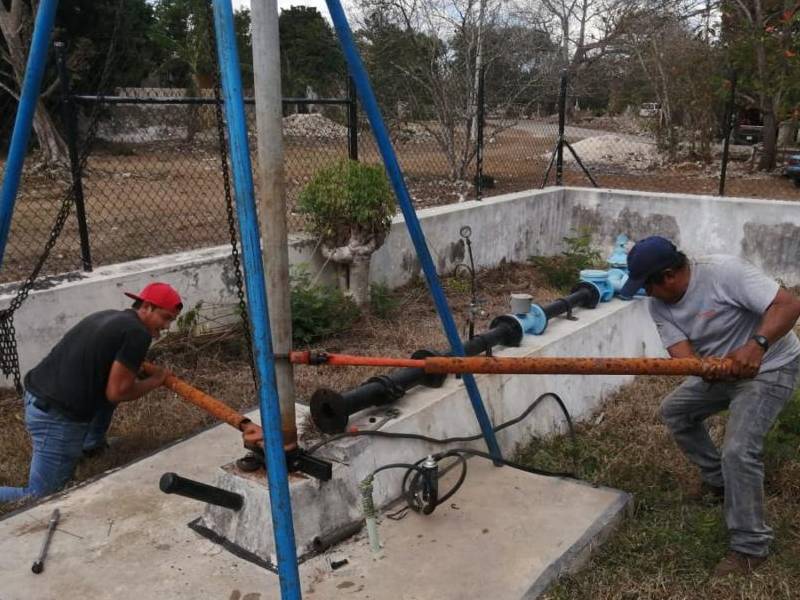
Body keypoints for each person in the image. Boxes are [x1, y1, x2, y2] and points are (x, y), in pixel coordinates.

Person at [620, 236, 800, 577]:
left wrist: (756, 346)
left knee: (738, 450)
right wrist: (704, 367)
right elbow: (684, 358)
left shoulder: (724, 272)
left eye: (647, 285)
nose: (645, 293)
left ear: (669, 275)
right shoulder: (659, 306)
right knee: (676, 411)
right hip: (723, 373)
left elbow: (789, 304)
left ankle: (750, 547)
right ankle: (719, 482)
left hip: (771, 367)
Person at [0, 282, 183, 504]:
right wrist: (157, 380)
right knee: (42, 495)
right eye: (165, 318)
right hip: (56, 416)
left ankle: (92, 446)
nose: (166, 326)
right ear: (147, 306)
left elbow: (109, 376)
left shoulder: (111, 316)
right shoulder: (137, 333)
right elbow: (118, 392)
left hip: (39, 395)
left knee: (107, 391)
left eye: (170, 320)